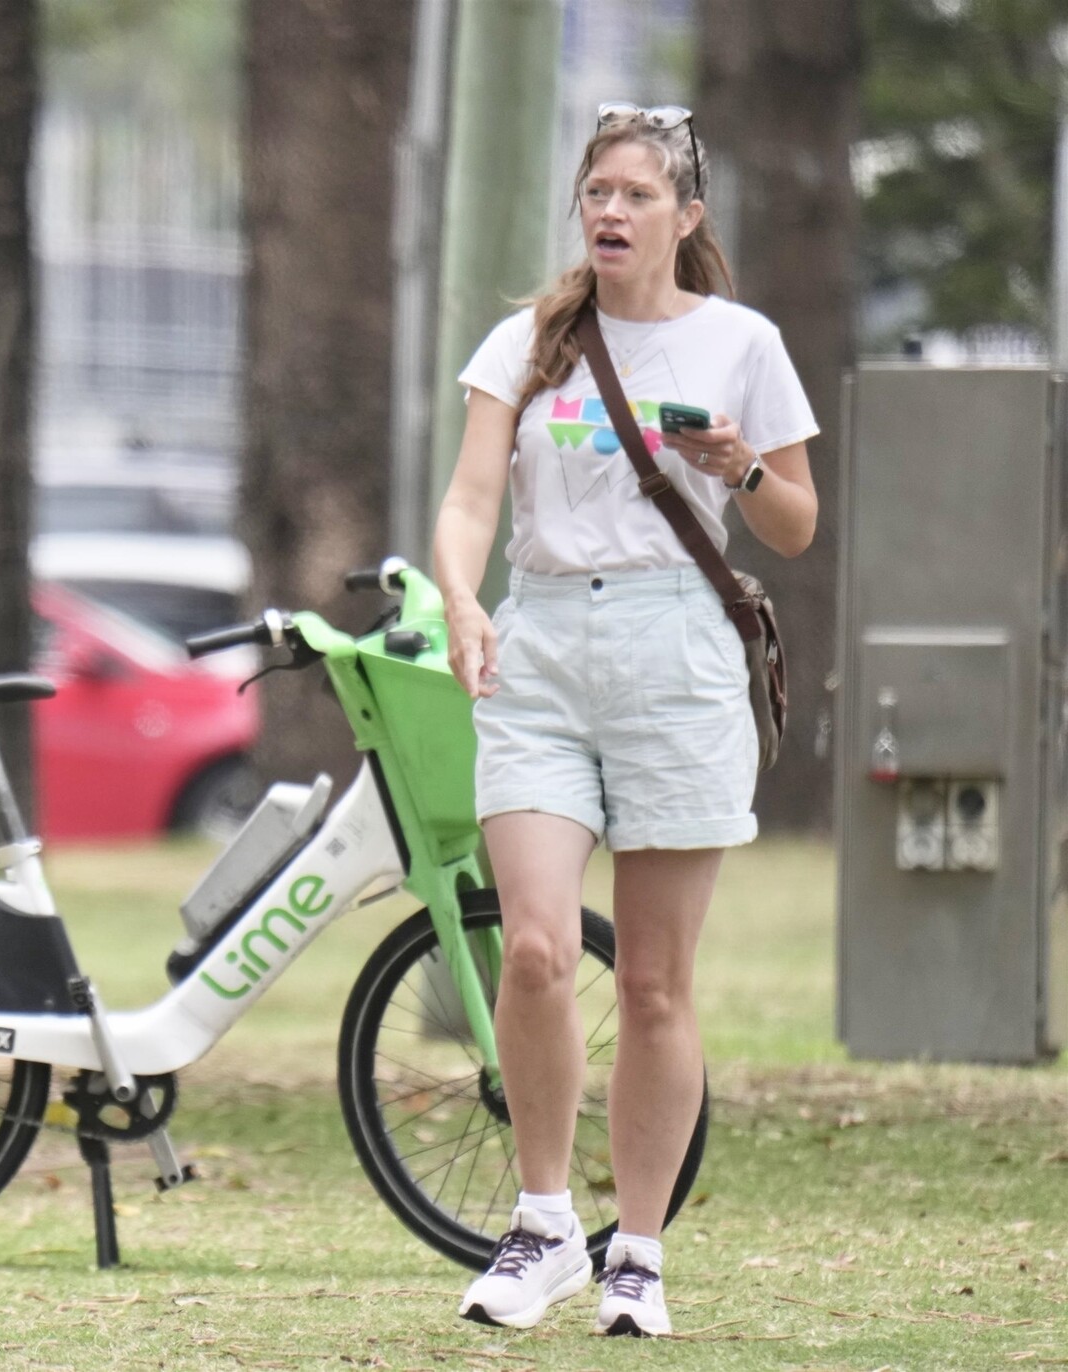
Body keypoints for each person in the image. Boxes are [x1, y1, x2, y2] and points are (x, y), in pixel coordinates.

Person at [433, 105, 818, 1337]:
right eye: (598, 192)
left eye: (638, 195)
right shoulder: (527, 344)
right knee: (537, 950)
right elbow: (470, 500)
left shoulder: (741, 344)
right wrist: (460, 601)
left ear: (685, 216)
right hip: (541, 646)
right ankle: (544, 1224)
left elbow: (796, 522)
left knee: (653, 981)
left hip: (677, 652)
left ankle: (637, 1253)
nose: (611, 211)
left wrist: (740, 466)